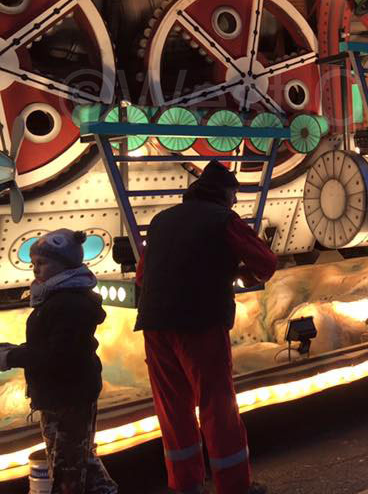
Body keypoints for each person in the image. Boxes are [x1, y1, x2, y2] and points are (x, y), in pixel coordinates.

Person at [136, 162, 277, 494]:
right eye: (233, 195)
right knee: (217, 407)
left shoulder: (161, 220)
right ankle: (234, 486)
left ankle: (185, 485)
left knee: (173, 408)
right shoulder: (223, 219)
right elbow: (266, 263)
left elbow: (142, 276)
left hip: (154, 324)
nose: (234, 201)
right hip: (200, 323)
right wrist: (240, 273)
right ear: (224, 193)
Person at [0, 229, 118, 494]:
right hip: (60, 394)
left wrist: (11, 357)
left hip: (68, 397)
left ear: (64, 265)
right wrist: (16, 350)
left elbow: (58, 357)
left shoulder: (68, 304)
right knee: (79, 458)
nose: (35, 269)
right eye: (33, 263)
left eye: (42, 262)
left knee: (66, 469)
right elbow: (52, 348)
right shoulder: (56, 298)